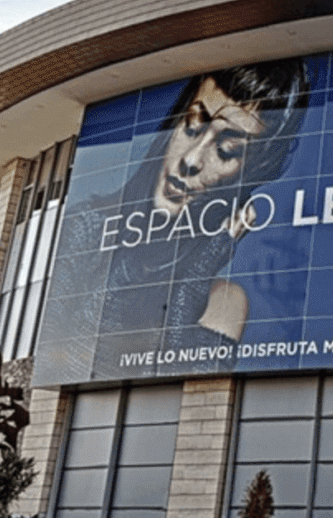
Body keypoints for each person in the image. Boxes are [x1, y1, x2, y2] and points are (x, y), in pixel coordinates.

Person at [41, 58, 309, 380]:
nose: (192, 159)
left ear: (249, 172)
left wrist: (205, 263)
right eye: (192, 125)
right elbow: (51, 368)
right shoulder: (88, 229)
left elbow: (185, 388)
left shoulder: (224, 304)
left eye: (226, 149)